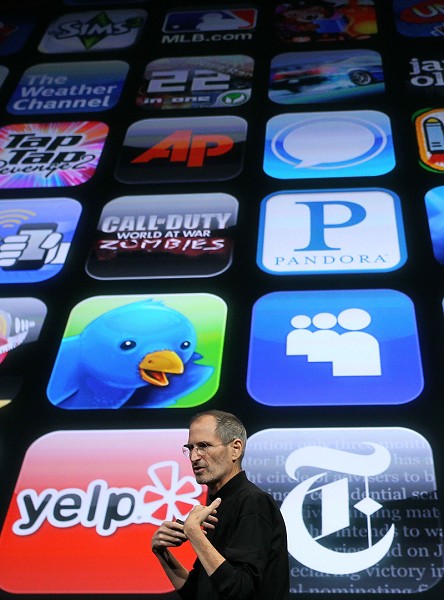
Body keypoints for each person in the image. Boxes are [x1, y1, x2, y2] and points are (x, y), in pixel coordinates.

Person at [151, 410, 290, 600]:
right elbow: (197, 592)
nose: (194, 457)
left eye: (204, 446)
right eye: (190, 448)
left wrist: (194, 533)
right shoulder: (218, 505)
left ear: (235, 449)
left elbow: (241, 591)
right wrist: (162, 553)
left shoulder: (253, 502)